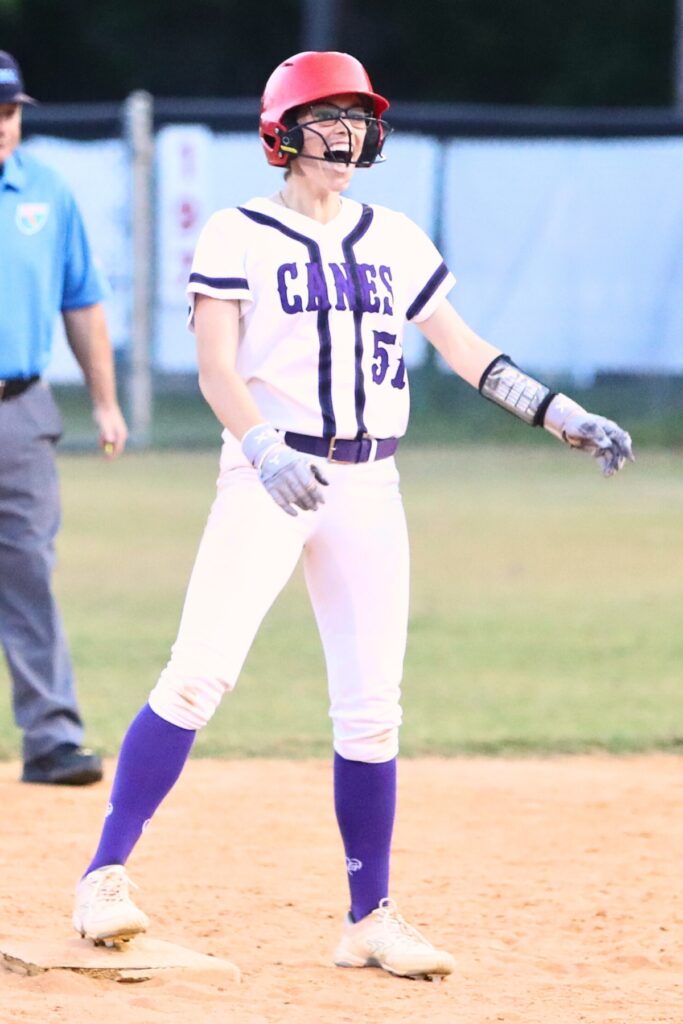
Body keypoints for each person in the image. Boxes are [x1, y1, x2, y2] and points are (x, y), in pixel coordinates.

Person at [72, 51, 632, 979]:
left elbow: (462, 348)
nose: (348, 137)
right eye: (328, 119)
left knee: (372, 713)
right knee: (198, 675)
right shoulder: (237, 230)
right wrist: (260, 447)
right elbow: (217, 368)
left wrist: (554, 411)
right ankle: (102, 876)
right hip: (269, 472)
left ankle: (369, 916)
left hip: (370, 486)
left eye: (358, 120)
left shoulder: (394, 236)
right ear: (282, 134)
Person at [0, 50, 128, 786]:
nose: (3, 126)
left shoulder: (47, 194)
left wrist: (104, 402)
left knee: (28, 576)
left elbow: (81, 300)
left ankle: (51, 739)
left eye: (11, 111)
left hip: (20, 413)